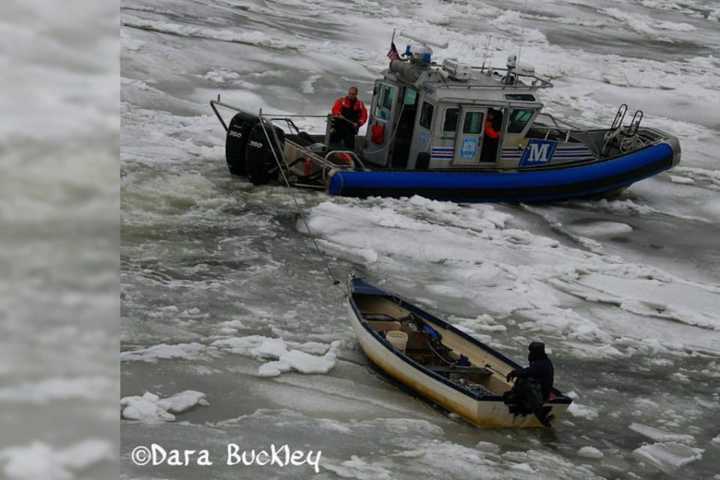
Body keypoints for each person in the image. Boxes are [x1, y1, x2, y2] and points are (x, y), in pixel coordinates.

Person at [504, 341, 555, 427]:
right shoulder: (542, 361)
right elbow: (529, 371)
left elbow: (528, 372)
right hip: (540, 391)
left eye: (532, 351)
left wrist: (513, 373)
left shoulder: (542, 364)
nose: (530, 353)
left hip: (541, 394)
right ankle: (518, 398)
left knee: (524, 382)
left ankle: (539, 412)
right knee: (523, 379)